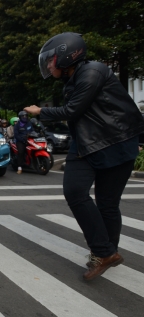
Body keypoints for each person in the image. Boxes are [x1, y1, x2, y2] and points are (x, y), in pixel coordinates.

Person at [24, 32, 144, 280]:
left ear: (68, 55)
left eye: (51, 60)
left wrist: (40, 111)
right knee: (75, 191)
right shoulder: (74, 78)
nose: (48, 65)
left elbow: (72, 110)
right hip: (86, 144)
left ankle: (103, 254)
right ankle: (105, 251)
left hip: (115, 143)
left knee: (107, 204)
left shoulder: (93, 72)